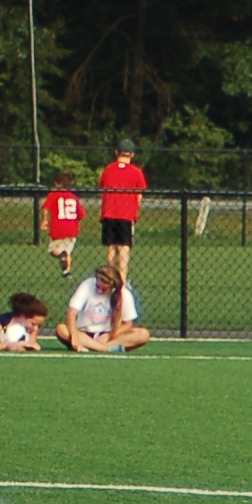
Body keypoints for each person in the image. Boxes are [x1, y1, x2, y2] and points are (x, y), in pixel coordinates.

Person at [59, 269, 153, 353]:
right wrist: (75, 337)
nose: (99, 291)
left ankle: (94, 347)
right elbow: (71, 313)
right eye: (97, 287)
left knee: (143, 334)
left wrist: (110, 335)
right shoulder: (87, 285)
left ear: (113, 288)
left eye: (104, 289)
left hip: (109, 337)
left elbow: (128, 324)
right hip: (84, 334)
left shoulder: (124, 294)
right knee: (61, 329)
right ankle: (105, 349)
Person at [97, 139, 147, 296]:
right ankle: (123, 280)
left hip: (109, 212)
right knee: (124, 247)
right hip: (126, 214)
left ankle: (110, 278)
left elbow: (102, 187)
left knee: (111, 247)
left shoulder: (108, 170)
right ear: (132, 154)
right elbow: (139, 194)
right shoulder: (136, 172)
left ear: (116, 153)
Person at [39, 175, 84, 280]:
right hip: (72, 229)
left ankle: (61, 256)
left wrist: (45, 220)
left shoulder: (54, 195)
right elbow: (81, 215)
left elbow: (46, 208)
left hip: (57, 228)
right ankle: (67, 272)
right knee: (67, 252)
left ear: (57, 183)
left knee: (53, 250)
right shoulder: (73, 197)